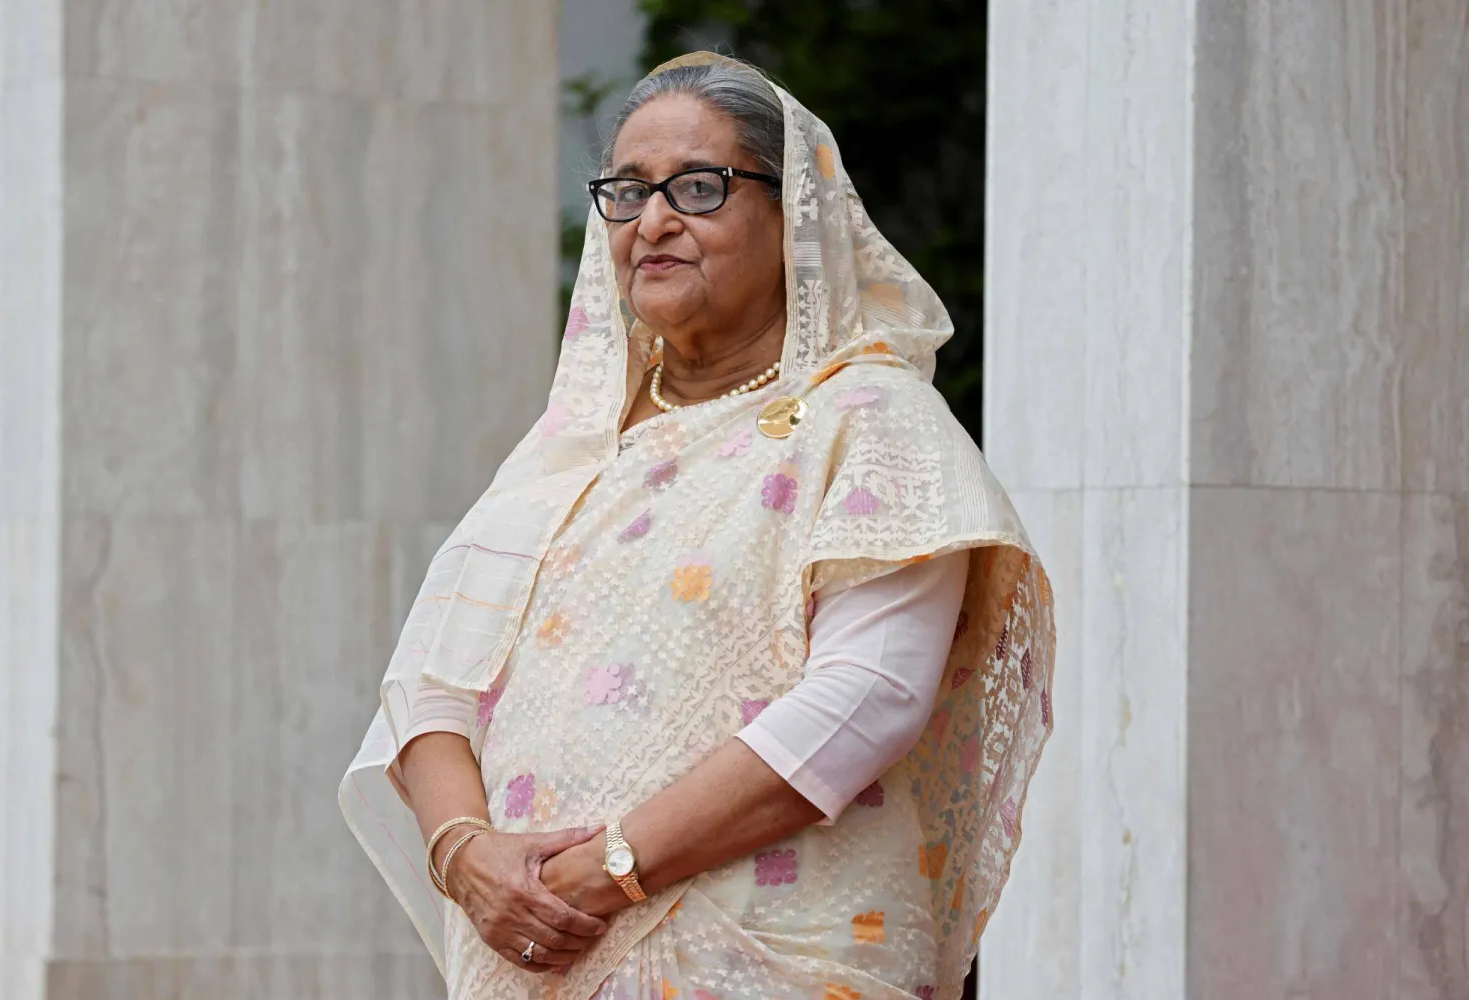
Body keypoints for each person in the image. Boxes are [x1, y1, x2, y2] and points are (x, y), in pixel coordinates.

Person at [341, 52, 1055, 1000]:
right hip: (537, 957)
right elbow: (429, 686)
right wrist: (464, 854)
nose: (655, 221)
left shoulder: (872, 422)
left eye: (700, 187)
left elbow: (868, 696)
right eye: (629, 192)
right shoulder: (571, 453)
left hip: (769, 953)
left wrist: (610, 868)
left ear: (791, 209)